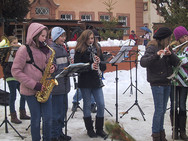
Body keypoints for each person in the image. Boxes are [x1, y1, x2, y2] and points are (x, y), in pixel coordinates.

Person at [11, 23, 55, 141]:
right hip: (30, 90)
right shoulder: (24, 49)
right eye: (42, 36)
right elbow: (15, 71)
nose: (44, 38)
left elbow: (45, 64)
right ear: (34, 35)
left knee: (48, 118)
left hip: (44, 88)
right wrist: (34, 84)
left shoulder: (45, 49)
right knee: (35, 119)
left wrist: (51, 67)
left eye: (45, 36)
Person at [140, 27, 180, 141]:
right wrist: (157, 55)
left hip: (167, 81)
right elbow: (143, 62)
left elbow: (177, 62)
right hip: (157, 83)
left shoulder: (167, 47)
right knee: (159, 110)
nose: (171, 40)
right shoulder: (152, 48)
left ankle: (161, 134)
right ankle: (156, 135)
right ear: (164, 38)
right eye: (169, 38)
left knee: (162, 110)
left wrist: (170, 54)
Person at [74, 29, 107, 138]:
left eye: (92, 38)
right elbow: (77, 68)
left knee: (101, 104)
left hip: (96, 81)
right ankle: (90, 129)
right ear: (84, 39)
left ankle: (99, 129)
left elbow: (103, 67)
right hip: (85, 82)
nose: (90, 40)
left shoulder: (97, 48)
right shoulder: (79, 50)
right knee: (87, 105)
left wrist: (99, 61)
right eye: (88, 38)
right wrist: (90, 66)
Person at [50, 27, 71, 141]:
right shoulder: (52, 50)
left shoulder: (63, 49)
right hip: (57, 86)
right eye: (61, 36)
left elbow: (64, 64)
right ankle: (54, 135)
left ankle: (60, 132)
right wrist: (66, 68)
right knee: (56, 112)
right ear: (55, 37)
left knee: (63, 111)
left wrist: (70, 65)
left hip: (64, 86)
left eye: (64, 36)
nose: (64, 38)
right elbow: (52, 68)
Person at [2, 36, 30, 124]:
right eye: (14, 43)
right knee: (13, 96)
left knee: (23, 94)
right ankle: (13, 115)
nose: (16, 44)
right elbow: (4, 65)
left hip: (18, 76)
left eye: (17, 42)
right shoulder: (7, 53)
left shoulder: (19, 52)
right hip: (10, 75)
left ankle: (22, 112)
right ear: (9, 44)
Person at [169, 26, 188, 140]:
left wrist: (177, 58)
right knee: (173, 106)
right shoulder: (172, 47)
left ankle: (183, 131)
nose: (186, 38)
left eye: (186, 36)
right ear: (178, 38)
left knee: (182, 106)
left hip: (185, 80)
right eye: (184, 37)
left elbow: (184, 61)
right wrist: (174, 55)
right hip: (174, 81)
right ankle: (174, 130)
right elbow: (171, 60)